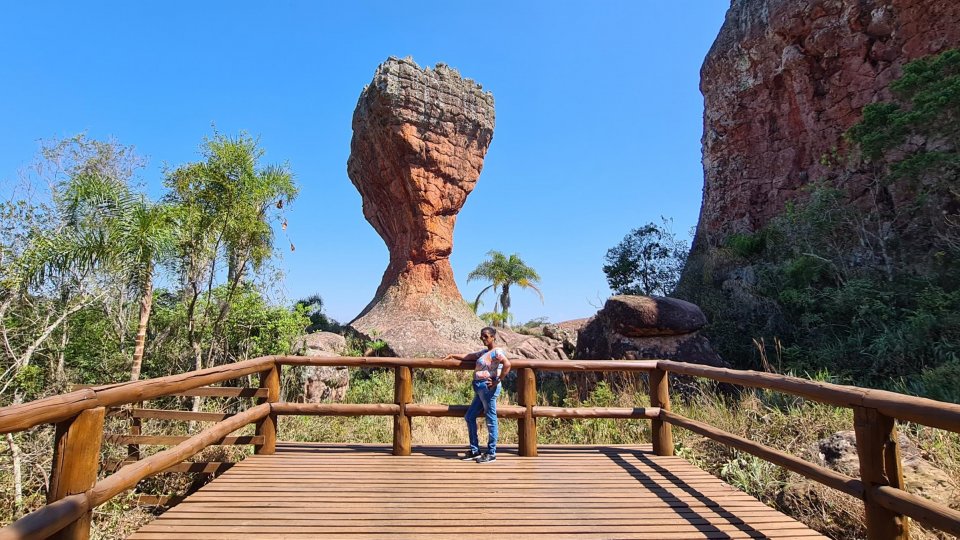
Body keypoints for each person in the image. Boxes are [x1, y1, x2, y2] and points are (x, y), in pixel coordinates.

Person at [444, 326, 511, 463]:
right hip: (480, 389)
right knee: (469, 416)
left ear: (493, 337)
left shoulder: (496, 352)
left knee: (490, 419)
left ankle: (491, 453)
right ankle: (475, 451)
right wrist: (453, 355)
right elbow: (469, 356)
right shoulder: (484, 352)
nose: (483, 338)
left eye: (486, 336)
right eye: (482, 336)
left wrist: (497, 381)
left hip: (488, 389)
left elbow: (507, 364)